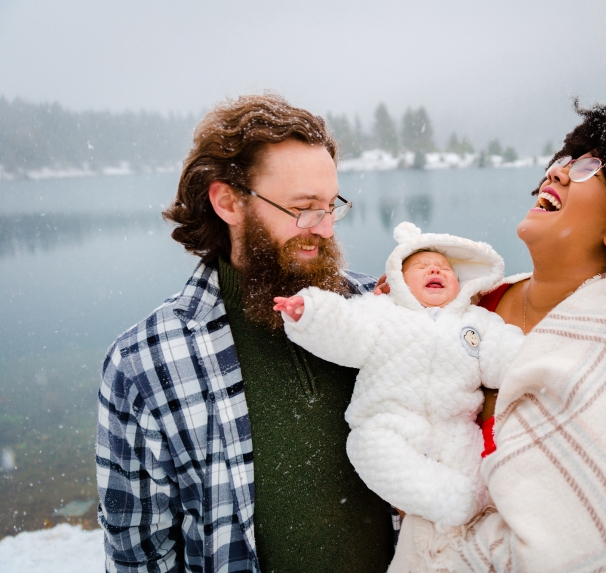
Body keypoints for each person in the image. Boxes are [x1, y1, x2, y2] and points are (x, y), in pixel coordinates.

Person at [388, 93, 606, 573]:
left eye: (589, 168)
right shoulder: (476, 302)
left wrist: (429, 523)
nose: (557, 172)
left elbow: (572, 556)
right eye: (566, 159)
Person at [95, 94, 394, 573]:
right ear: (228, 201)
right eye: (303, 208)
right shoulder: (146, 362)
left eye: (331, 205)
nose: (326, 228)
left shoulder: (381, 308)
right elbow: (140, 554)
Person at [272, 222, 524, 528]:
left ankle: (478, 511)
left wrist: (532, 364)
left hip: (454, 427)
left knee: (478, 474)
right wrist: (310, 313)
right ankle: (444, 499)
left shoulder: (476, 322)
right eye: (422, 266)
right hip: (391, 422)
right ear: (399, 280)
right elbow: (346, 328)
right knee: (373, 450)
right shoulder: (381, 313)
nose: (435, 270)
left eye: (444, 268)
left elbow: (506, 355)